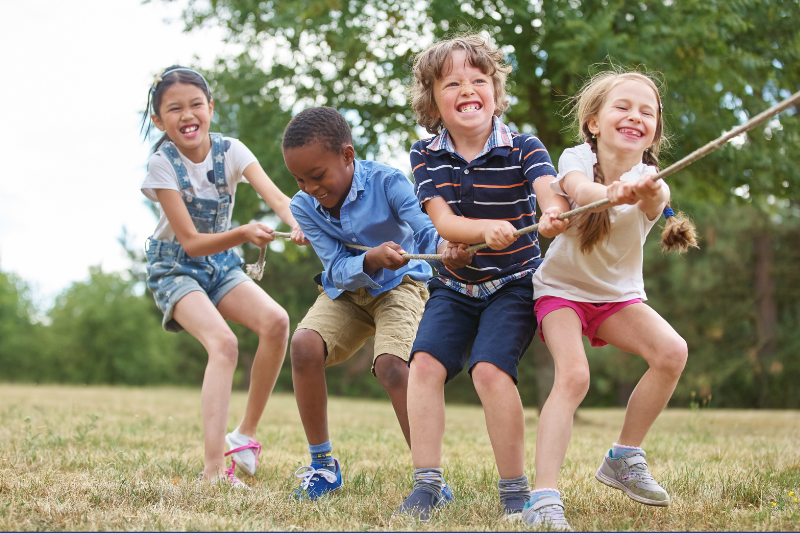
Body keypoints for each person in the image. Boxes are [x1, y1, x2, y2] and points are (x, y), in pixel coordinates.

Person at [397, 35, 569, 520]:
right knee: (424, 367)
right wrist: (481, 230)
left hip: (513, 283)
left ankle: (515, 490)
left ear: (495, 90)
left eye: (478, 79)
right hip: (454, 287)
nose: (467, 89)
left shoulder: (523, 145)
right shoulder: (425, 153)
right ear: (432, 99)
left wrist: (554, 211)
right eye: (452, 82)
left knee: (490, 371)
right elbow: (444, 221)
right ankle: (426, 484)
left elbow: (548, 189)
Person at [526, 71, 697, 530]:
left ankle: (624, 456)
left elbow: (656, 196)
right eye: (623, 106)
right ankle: (542, 499)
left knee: (671, 352)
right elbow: (580, 191)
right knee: (574, 376)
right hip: (561, 292)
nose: (635, 117)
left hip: (616, 299)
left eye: (647, 112)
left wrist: (642, 191)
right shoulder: (576, 157)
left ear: (655, 131)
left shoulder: (651, 179)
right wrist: (609, 193)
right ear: (594, 121)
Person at [283, 106, 472, 501]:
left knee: (392, 366)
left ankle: (430, 479)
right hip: (348, 292)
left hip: (401, 285)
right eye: (299, 179)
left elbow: (423, 229)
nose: (310, 187)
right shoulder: (303, 206)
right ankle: (322, 465)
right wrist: (369, 259)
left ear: (348, 156)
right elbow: (335, 269)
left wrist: (445, 247)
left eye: (318, 176)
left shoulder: (388, 181)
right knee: (302, 346)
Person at [140, 65, 308, 488]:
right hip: (176, 265)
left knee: (276, 322)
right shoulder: (161, 165)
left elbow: (277, 197)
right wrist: (245, 231)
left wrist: (299, 222)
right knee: (225, 344)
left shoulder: (232, 150)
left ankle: (244, 437)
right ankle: (214, 470)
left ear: (210, 108)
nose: (187, 114)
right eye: (174, 108)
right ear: (160, 120)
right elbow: (192, 241)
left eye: (196, 104)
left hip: (221, 265)